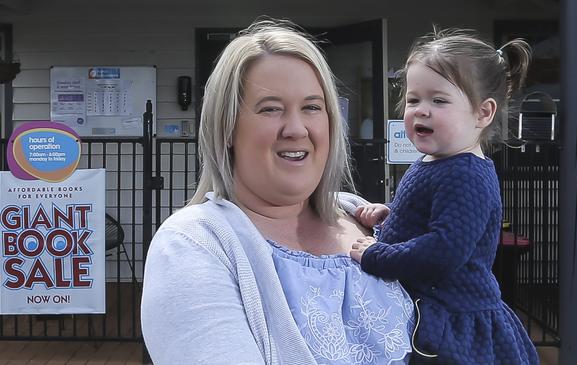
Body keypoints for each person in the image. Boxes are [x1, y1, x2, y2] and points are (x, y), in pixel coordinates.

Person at [141, 19, 414, 365]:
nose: (296, 129)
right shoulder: (194, 243)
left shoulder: (365, 215)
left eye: (312, 107)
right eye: (270, 109)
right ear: (226, 127)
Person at [350, 28, 540, 365]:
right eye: (413, 99)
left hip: (454, 326)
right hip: (438, 310)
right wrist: (390, 213)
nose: (421, 110)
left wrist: (377, 256)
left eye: (439, 100)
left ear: (483, 113)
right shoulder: (439, 161)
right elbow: (432, 215)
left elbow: (443, 251)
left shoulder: (466, 174)